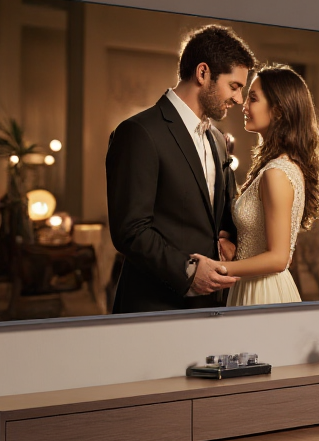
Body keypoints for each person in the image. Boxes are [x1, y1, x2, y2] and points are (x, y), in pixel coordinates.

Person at [105, 25, 255, 314]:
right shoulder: (138, 132)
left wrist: (230, 240)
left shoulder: (218, 141)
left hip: (212, 305)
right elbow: (130, 230)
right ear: (203, 73)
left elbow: (224, 218)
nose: (239, 99)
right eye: (234, 86)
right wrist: (187, 272)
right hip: (153, 304)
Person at [191, 64, 319, 307]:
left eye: (253, 98)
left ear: (278, 111)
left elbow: (279, 258)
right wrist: (232, 243)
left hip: (263, 291)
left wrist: (216, 268)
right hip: (253, 285)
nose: (243, 105)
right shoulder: (279, 166)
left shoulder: (276, 172)